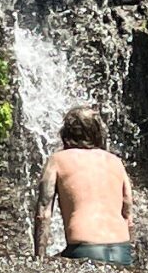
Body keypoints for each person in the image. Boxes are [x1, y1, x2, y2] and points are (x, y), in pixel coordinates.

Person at [33, 106, 133, 262]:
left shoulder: (57, 160)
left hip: (84, 249)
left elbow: (43, 213)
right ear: (98, 132)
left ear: (66, 133)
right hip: (121, 250)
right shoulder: (115, 161)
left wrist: (39, 257)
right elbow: (128, 213)